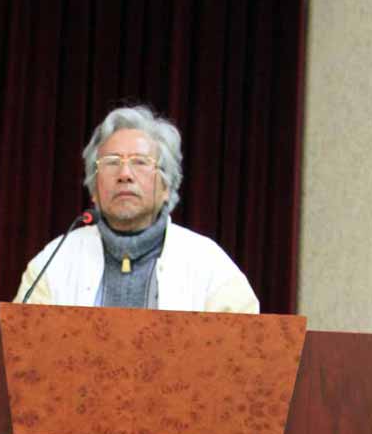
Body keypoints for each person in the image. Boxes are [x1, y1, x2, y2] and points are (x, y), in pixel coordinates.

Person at [15, 104, 259, 313]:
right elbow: (19, 343)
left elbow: (245, 347)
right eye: (111, 162)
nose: (124, 174)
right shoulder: (55, 260)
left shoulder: (210, 264)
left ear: (166, 185)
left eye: (140, 162)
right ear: (94, 188)